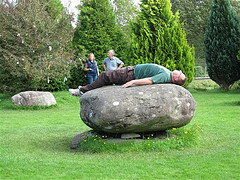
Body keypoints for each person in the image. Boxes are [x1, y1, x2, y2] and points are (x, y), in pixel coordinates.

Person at [69, 63, 187, 97]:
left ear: (176, 78)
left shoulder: (166, 76)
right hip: (131, 71)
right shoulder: (169, 73)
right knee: (107, 78)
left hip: (130, 75)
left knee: (105, 76)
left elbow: (150, 81)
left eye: (180, 73)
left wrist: (133, 82)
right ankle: (87, 91)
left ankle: (82, 91)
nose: (179, 70)